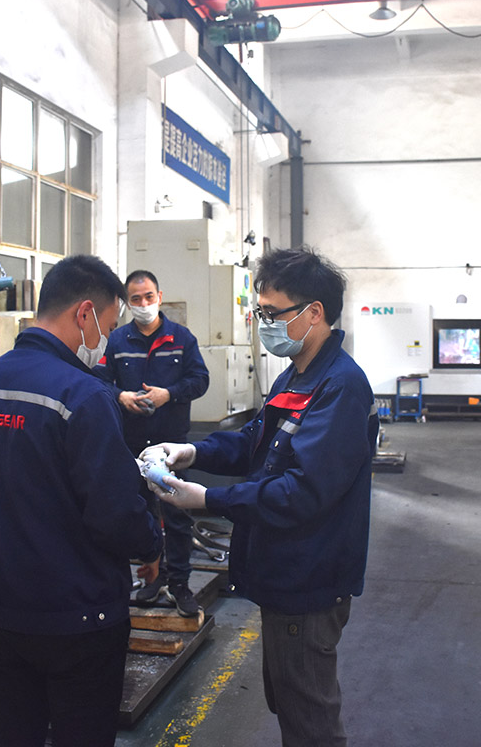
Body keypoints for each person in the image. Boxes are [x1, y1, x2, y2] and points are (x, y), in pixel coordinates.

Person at [144, 247, 378, 747]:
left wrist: (208, 499)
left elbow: (301, 493)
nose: (263, 324)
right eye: (260, 312)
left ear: (314, 313)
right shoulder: (297, 374)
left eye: (272, 313)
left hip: (308, 577)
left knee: (309, 718)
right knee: (290, 701)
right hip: (284, 570)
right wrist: (191, 451)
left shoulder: (340, 387)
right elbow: (256, 441)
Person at [0, 254, 162, 747]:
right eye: (108, 325)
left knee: (12, 732)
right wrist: (151, 545)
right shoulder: (84, 396)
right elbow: (114, 512)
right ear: (85, 314)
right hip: (78, 617)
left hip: (0, 609)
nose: (106, 342)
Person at [102, 269, 209, 616]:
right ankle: (153, 576)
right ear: (127, 303)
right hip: (131, 444)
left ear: (159, 297)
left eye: (149, 297)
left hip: (170, 446)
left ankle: (179, 584)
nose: (144, 304)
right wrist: (120, 396)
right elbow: (99, 380)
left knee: (177, 515)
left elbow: (200, 380)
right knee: (140, 513)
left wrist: (169, 394)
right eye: (136, 299)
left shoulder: (181, 338)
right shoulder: (117, 342)